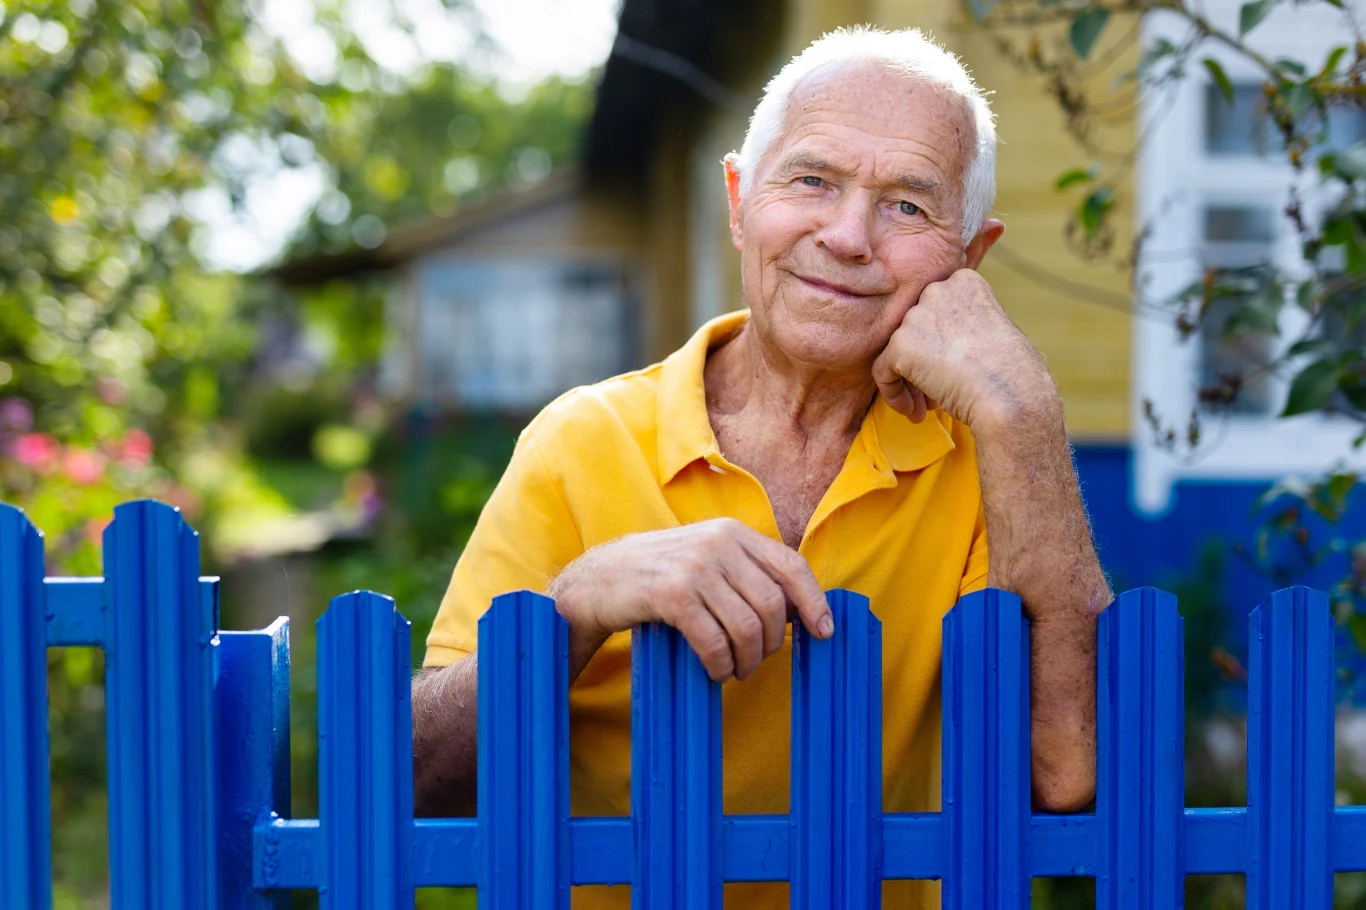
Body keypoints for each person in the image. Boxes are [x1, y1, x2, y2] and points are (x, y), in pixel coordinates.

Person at [411, 25, 1112, 908]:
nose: (848, 236)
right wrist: (575, 607)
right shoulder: (583, 440)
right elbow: (417, 783)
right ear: (741, 200)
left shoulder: (985, 467)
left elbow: (1067, 776)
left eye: (908, 205)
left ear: (969, 259)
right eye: (812, 180)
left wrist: (1025, 417)